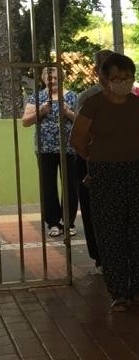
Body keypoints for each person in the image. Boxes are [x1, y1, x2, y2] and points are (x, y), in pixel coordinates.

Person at [70, 53, 139, 312]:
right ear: (103, 79)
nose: (122, 82)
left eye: (127, 77)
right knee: (111, 233)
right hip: (105, 174)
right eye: (116, 78)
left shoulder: (138, 105)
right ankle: (119, 293)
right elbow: (77, 140)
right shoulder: (93, 105)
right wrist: (97, 159)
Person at [22, 66, 79, 238]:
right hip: (45, 148)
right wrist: (42, 111)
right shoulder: (37, 97)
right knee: (48, 186)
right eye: (48, 77)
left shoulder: (72, 96)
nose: (51, 80)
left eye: (54, 77)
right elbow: (25, 121)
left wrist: (67, 112)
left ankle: (68, 223)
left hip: (69, 147)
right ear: (43, 79)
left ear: (61, 78)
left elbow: (82, 120)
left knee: (70, 185)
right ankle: (53, 223)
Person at [75, 48, 113, 269]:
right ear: (96, 70)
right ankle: (100, 253)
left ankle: (115, 252)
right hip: (91, 158)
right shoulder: (88, 97)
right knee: (92, 208)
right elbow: (80, 135)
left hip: (119, 159)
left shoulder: (131, 97)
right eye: (106, 67)